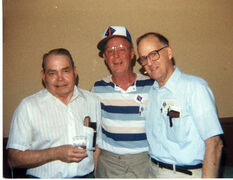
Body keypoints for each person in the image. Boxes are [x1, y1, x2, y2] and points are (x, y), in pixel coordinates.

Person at [136, 32, 224, 178]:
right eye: (144, 59)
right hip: (153, 172)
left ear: (169, 53)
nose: (149, 63)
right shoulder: (151, 92)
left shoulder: (195, 88)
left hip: (184, 174)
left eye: (154, 54)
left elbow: (214, 144)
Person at [6, 48, 101, 178]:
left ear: (75, 71)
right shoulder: (28, 107)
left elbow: (97, 147)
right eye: (52, 73)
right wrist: (55, 153)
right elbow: (13, 159)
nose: (60, 79)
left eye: (66, 71)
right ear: (43, 76)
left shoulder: (92, 101)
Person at [92, 26, 154, 178]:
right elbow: (96, 134)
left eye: (121, 49)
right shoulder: (98, 88)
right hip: (109, 164)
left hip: (145, 162)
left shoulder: (151, 86)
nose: (116, 56)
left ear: (132, 53)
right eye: (110, 51)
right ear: (104, 57)